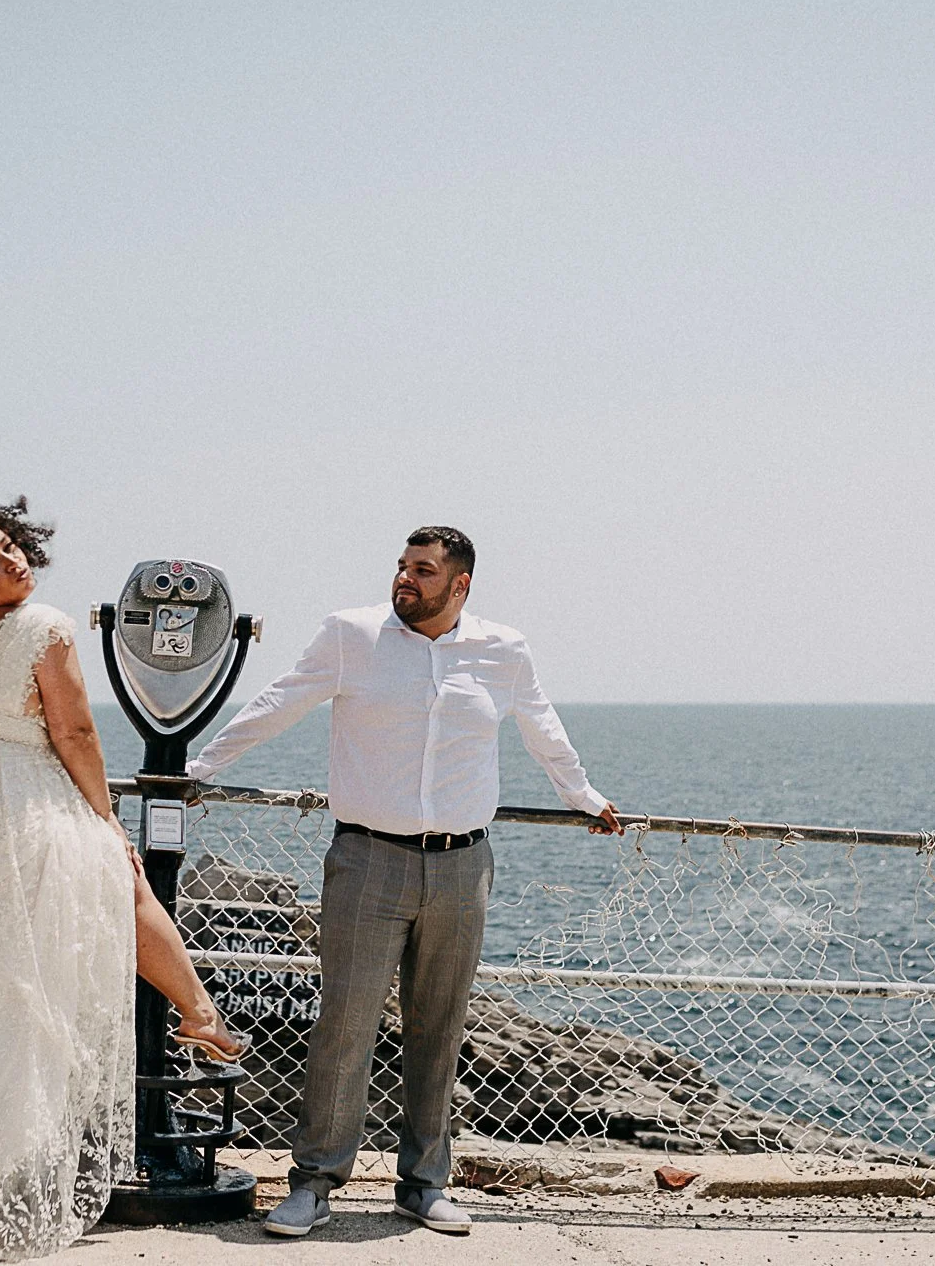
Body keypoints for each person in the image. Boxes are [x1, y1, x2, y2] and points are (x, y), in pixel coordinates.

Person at [183, 526, 619, 1239]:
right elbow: (280, 701)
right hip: (367, 859)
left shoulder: (503, 650)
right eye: (402, 566)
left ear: (460, 585)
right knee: (345, 1025)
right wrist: (200, 768)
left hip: (462, 865)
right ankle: (315, 1182)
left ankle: (423, 1184)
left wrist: (584, 796)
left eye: (423, 570)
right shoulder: (352, 634)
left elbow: (543, 727)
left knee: (439, 1029)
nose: (405, 579)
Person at [0, 493, 244, 1261]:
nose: (11, 561)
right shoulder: (44, 626)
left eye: (8, 546)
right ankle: (200, 1011)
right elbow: (76, 732)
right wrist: (107, 821)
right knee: (117, 884)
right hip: (8, 805)